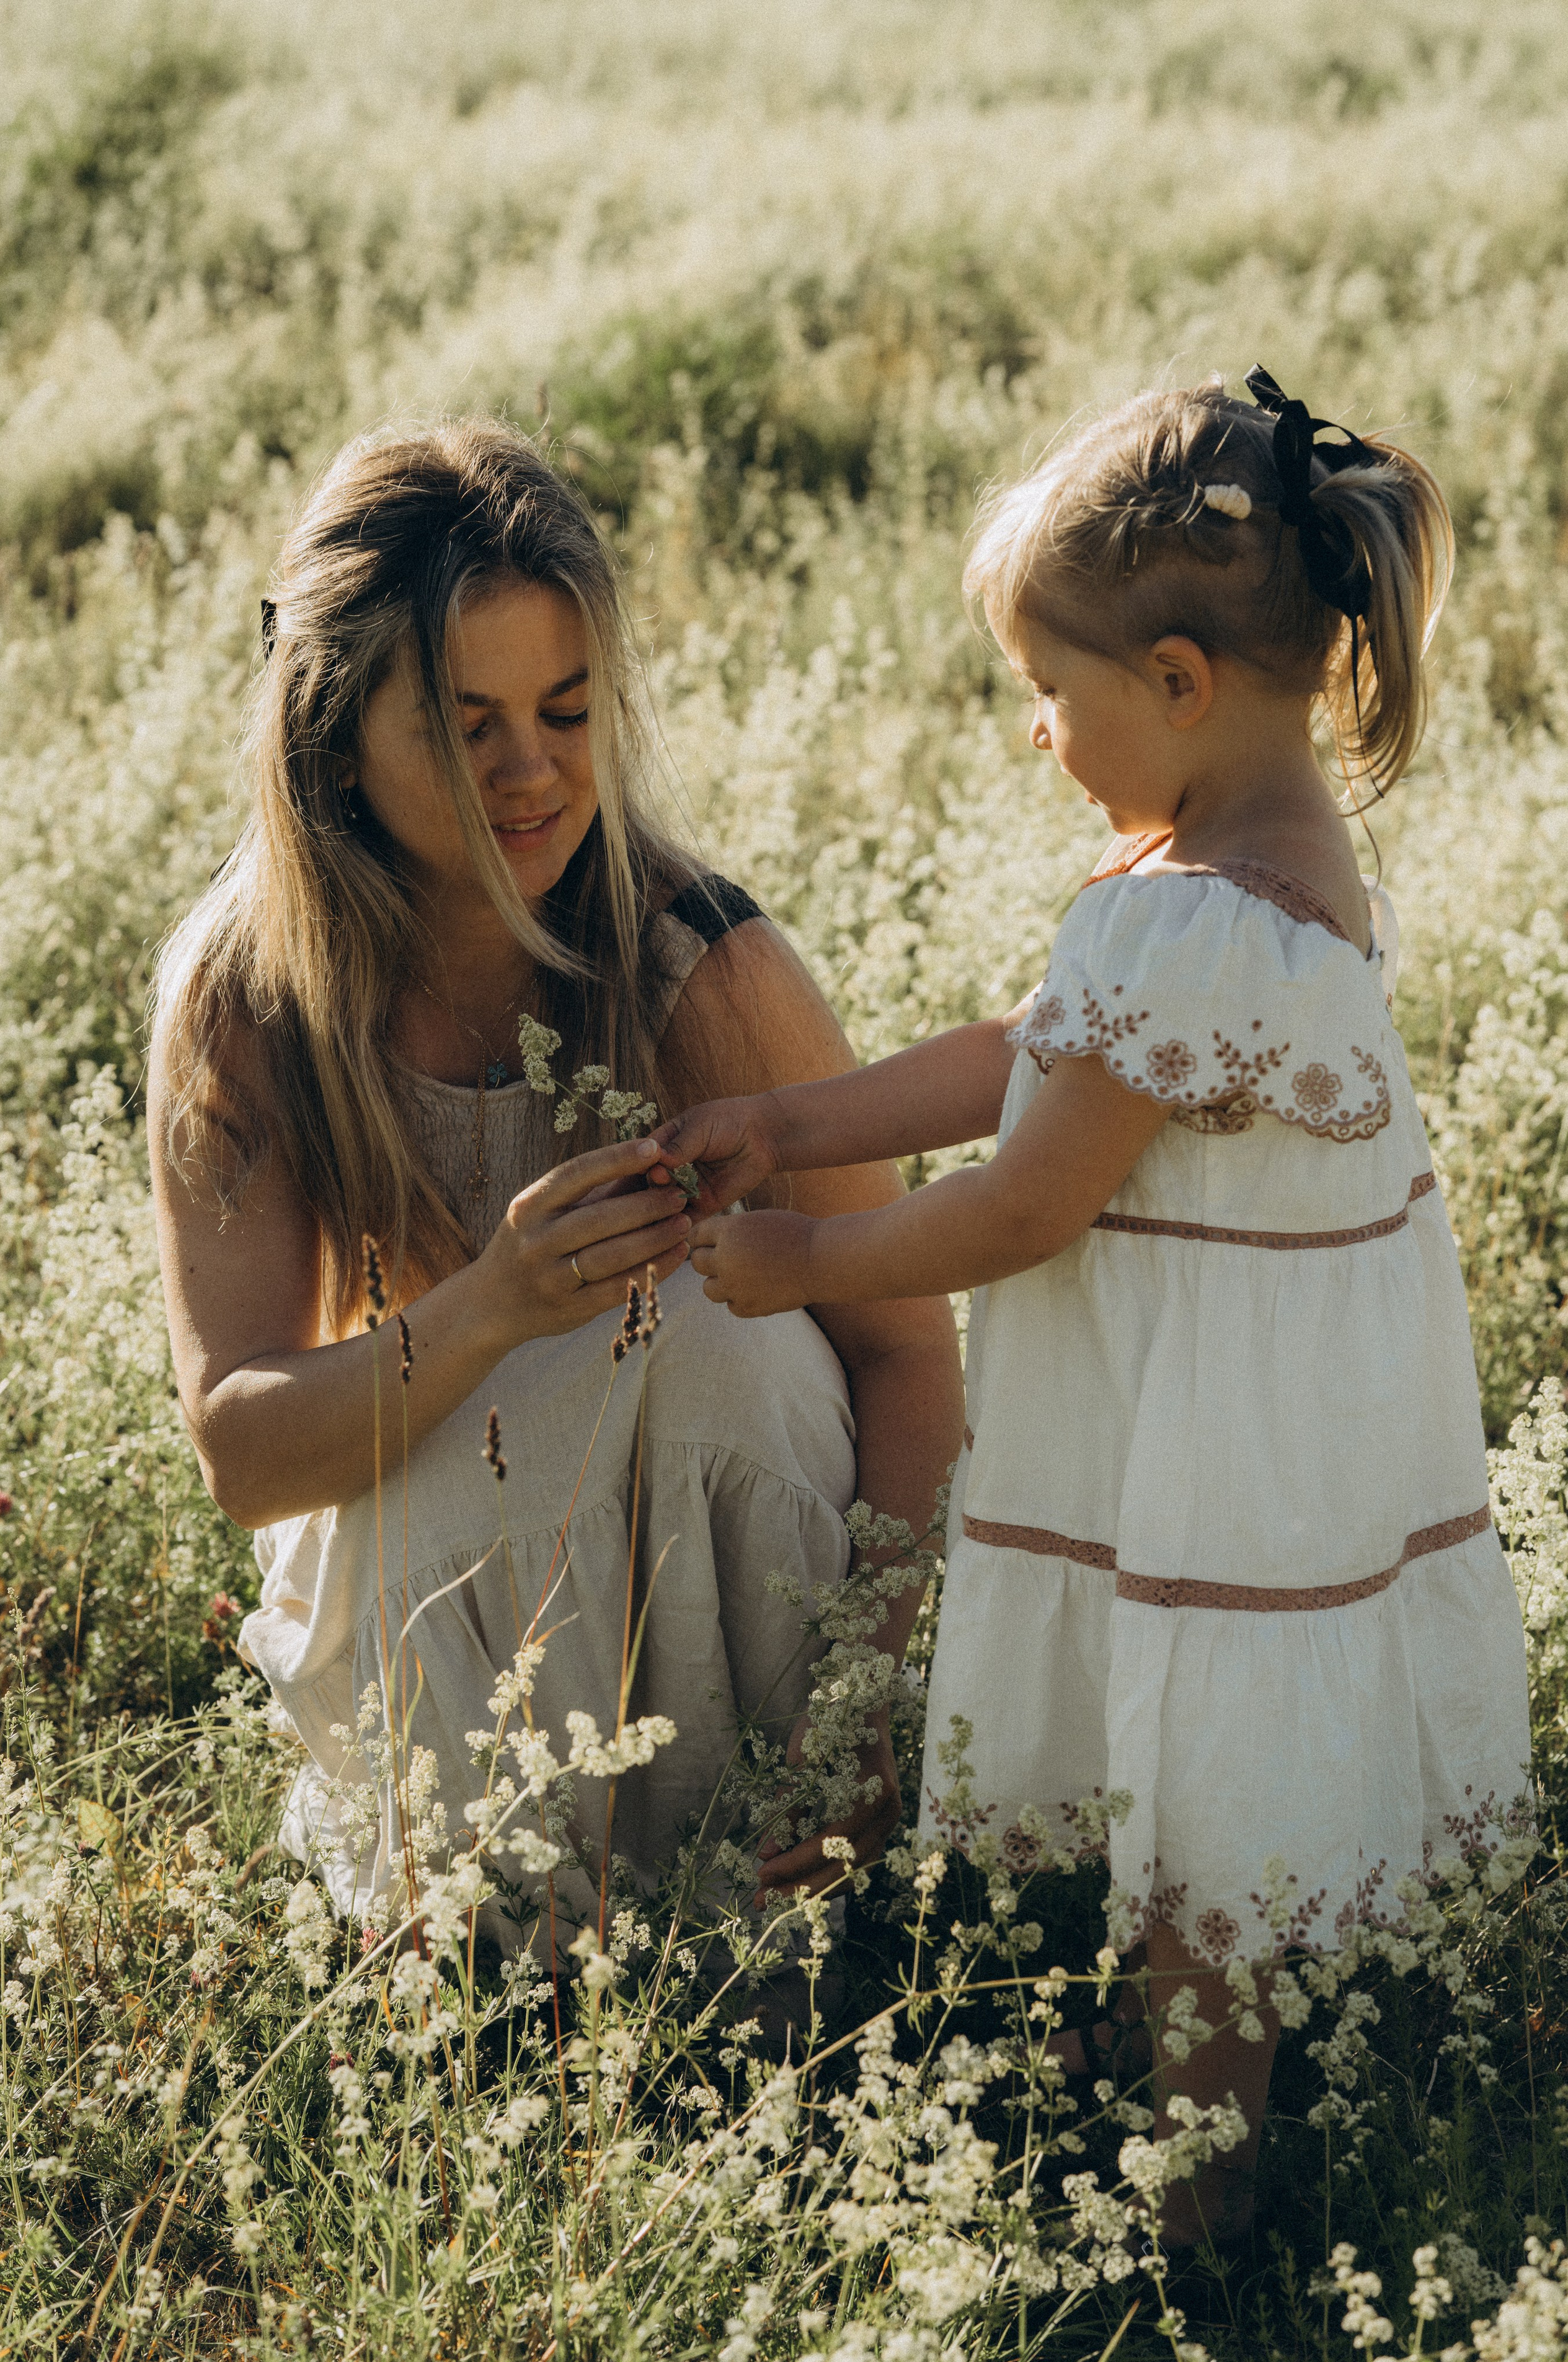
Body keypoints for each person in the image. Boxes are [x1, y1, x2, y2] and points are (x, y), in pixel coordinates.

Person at [653, 371, 1533, 2244]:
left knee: (1203, 1829)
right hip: (1283, 1449)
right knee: (1221, 1795)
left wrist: (803, 1257)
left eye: (1054, 696)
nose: (1041, 735)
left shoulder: (1189, 922)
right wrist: (787, 1119)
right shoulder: (1272, 879)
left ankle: (1201, 2206)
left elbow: (1033, 1192)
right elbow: (1033, 1056)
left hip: (1211, 1465)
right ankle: (1190, 2103)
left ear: (1184, 682)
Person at [148, 419, 962, 1956]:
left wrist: (866, 1727)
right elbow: (246, 1455)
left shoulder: (691, 960)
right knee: (508, 1404)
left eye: (568, 710)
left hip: (727, 1580)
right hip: (436, 1557)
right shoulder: (250, 998)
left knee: (728, 1341)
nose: (531, 775)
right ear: (333, 730)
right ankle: (508, 1945)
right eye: (465, 729)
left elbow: (910, 1354)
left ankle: (763, 1919)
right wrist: (490, 1310)